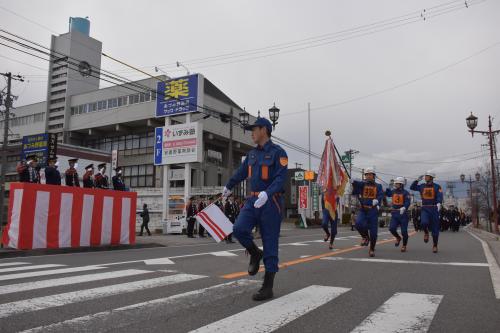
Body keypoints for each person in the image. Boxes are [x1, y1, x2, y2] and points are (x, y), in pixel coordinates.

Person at [222, 117, 288, 301]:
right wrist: (228, 186)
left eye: (254, 129)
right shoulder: (251, 155)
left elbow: (281, 178)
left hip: (271, 202)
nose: (251, 132)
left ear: (264, 130)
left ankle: (267, 287)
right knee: (239, 229)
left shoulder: (278, 153)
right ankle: (254, 252)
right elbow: (241, 173)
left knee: (270, 243)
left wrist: (268, 193)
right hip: (252, 200)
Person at [352, 167, 384, 257]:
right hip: (363, 209)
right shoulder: (362, 184)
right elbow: (356, 188)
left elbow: (381, 194)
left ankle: (372, 249)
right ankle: (365, 236)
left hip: (373, 210)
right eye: (366, 175)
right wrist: (353, 182)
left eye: (370, 174)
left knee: (373, 233)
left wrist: (377, 200)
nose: (368, 176)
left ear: (374, 176)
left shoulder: (378, 186)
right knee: (358, 224)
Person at [410, 171, 443, 253]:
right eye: (425, 176)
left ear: (431, 177)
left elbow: (439, 195)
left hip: (434, 209)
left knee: (435, 230)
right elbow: (412, 187)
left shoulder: (437, 186)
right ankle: (426, 232)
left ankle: (435, 245)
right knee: (424, 223)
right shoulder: (421, 186)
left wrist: (439, 202)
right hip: (425, 208)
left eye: (427, 176)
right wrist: (417, 180)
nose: (425, 177)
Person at [385, 177, 411, 252]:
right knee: (392, 228)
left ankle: (404, 245)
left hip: (403, 214)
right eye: (395, 183)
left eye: (397, 183)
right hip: (395, 213)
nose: (395, 185)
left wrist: (404, 207)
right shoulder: (393, 191)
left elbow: (407, 202)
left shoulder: (406, 193)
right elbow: (388, 194)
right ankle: (398, 237)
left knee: (404, 232)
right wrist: (388, 187)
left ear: (401, 184)